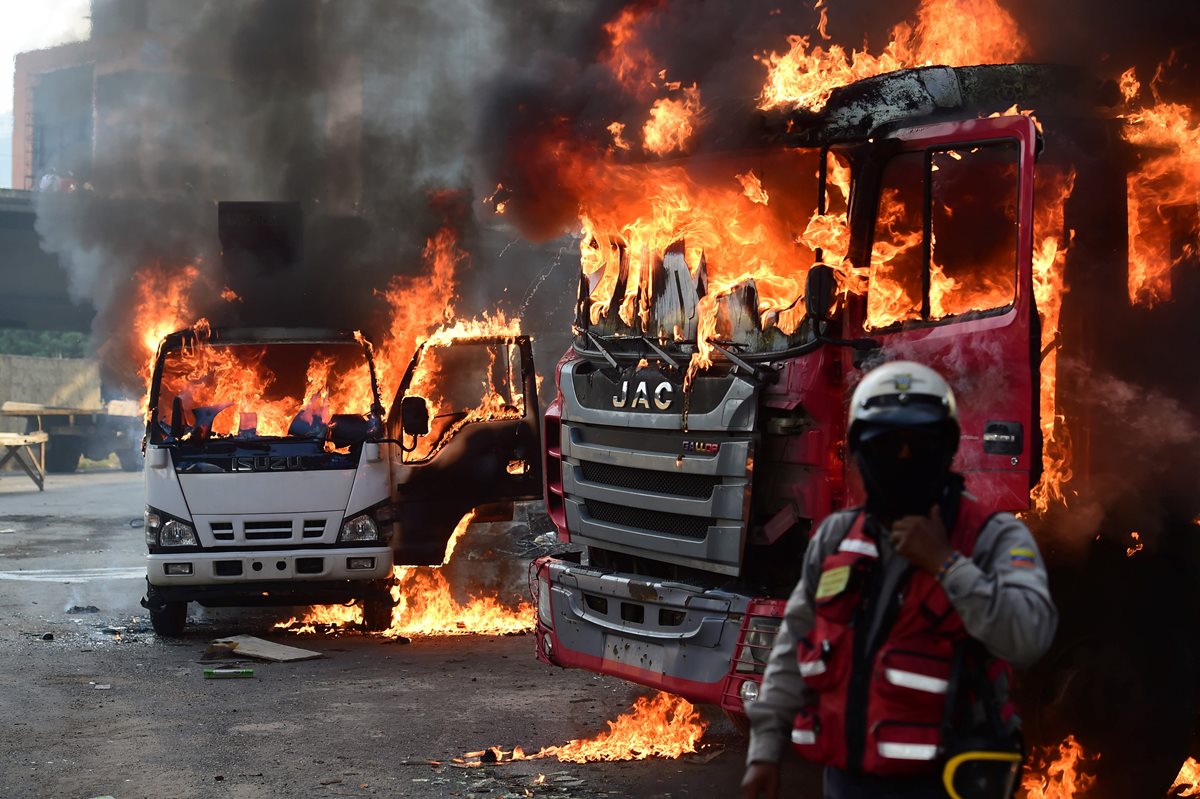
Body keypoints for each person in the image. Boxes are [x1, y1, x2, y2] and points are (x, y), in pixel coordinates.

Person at [741, 361, 1057, 799]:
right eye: (887, 445)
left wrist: (946, 564)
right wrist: (764, 751)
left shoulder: (993, 538)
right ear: (860, 452)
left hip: (946, 786)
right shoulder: (837, 537)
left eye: (919, 445)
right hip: (847, 784)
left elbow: (1029, 637)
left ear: (946, 449)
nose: (903, 459)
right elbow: (792, 648)